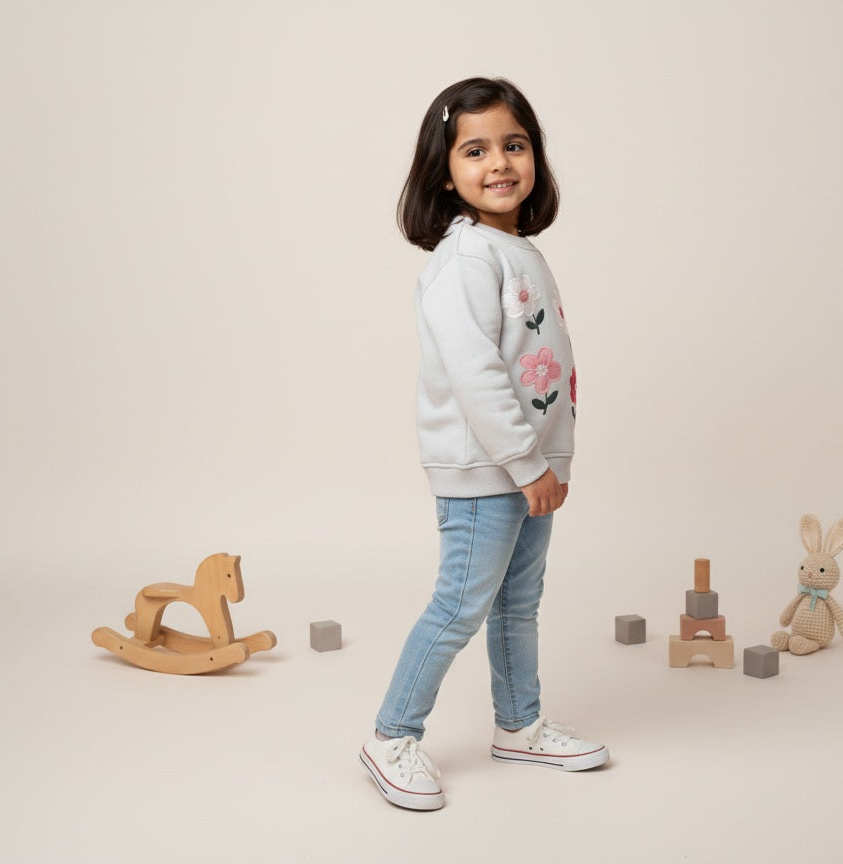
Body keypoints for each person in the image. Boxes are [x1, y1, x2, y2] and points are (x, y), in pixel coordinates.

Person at [358, 77, 609, 812]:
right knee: (460, 606)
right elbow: (477, 376)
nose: (499, 162)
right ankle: (391, 735)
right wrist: (529, 465)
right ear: (444, 171)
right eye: (476, 150)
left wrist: (552, 463)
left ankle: (519, 724)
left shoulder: (517, 249)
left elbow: (545, 366)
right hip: (485, 471)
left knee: (518, 604)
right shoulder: (466, 258)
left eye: (514, 145)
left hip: (527, 471)